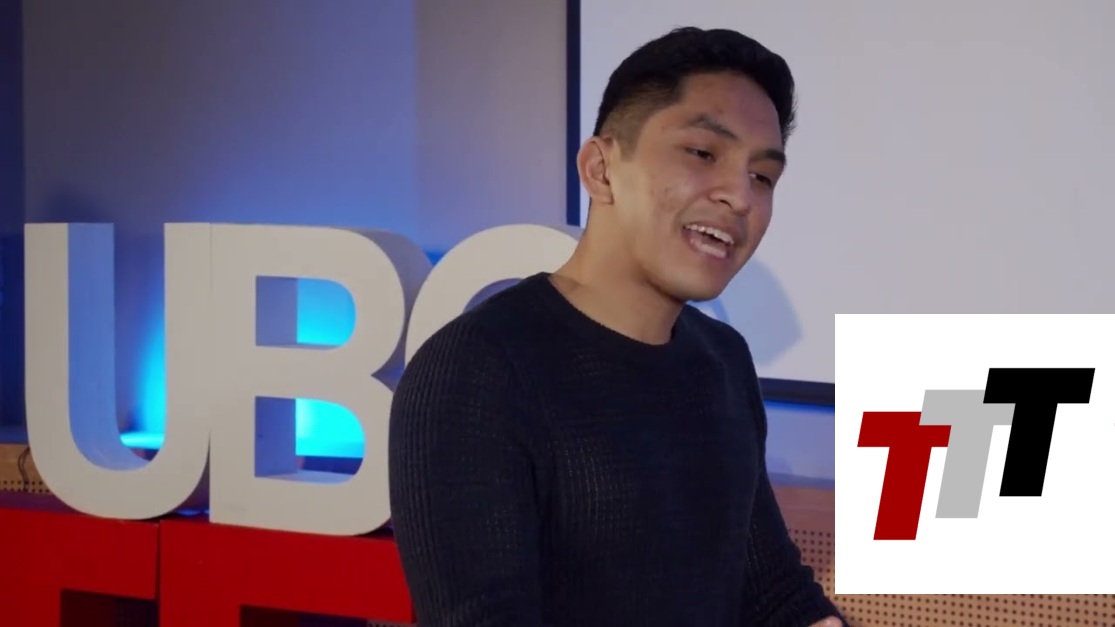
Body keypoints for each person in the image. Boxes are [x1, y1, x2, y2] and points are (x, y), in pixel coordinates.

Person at [388, 26, 845, 627]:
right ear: (600, 169)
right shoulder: (475, 373)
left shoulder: (723, 361)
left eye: (762, 176)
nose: (740, 196)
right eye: (703, 153)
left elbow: (773, 595)